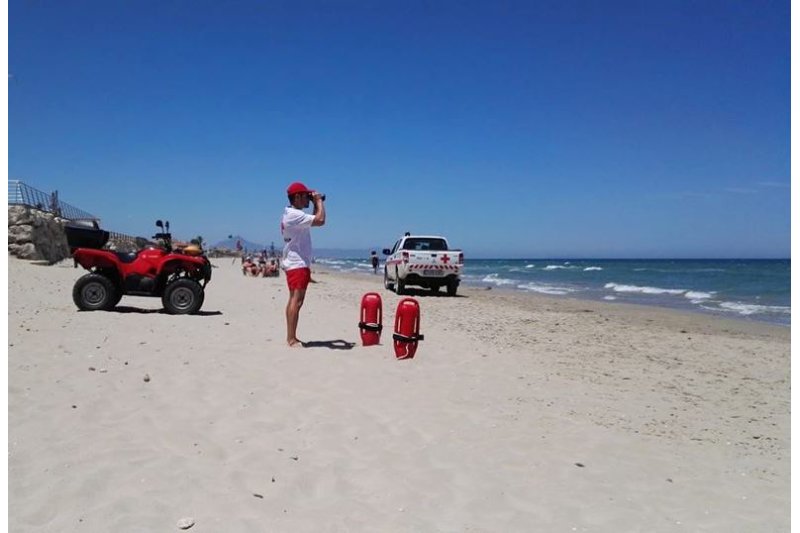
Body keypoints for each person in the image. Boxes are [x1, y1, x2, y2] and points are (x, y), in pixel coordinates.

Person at [281, 181, 326, 347]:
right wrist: (319, 201)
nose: (308, 199)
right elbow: (321, 220)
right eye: (306, 196)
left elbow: (314, 219)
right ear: (297, 197)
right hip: (297, 263)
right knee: (297, 301)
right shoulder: (294, 215)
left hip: (295, 263)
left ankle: (291, 337)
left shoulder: (293, 215)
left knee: (293, 299)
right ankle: (291, 339)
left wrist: (315, 203)